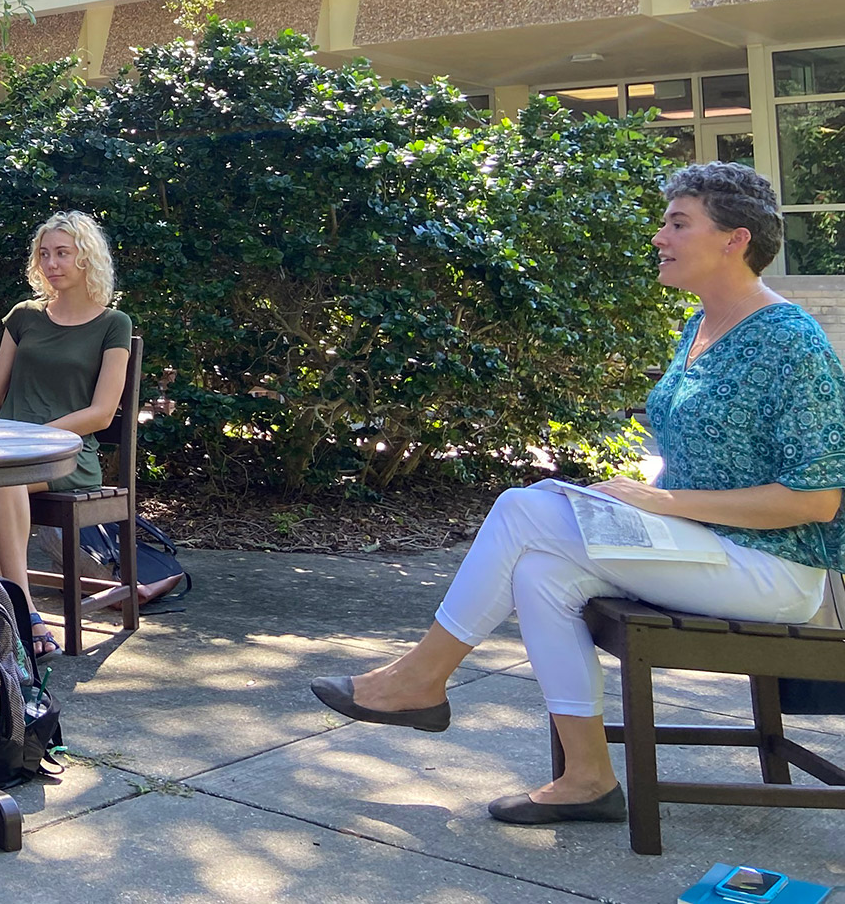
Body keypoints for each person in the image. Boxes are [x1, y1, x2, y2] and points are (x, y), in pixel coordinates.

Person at [309, 162, 844, 827]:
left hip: (777, 570)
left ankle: (422, 678)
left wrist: (664, 506)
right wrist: (635, 502)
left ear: (735, 240)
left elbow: (815, 500)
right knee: (540, 568)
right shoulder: (699, 329)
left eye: (678, 223)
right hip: (705, 547)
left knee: (522, 507)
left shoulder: (791, 341)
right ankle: (589, 775)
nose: (659, 236)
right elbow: (705, 465)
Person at [0, 211, 133, 657]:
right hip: (4, 447)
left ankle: (19, 609)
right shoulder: (24, 316)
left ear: (87, 259)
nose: (51, 263)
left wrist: (34, 440)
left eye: (63, 253)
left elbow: (102, 413)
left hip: (66, 453)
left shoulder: (113, 324)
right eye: (44, 254)